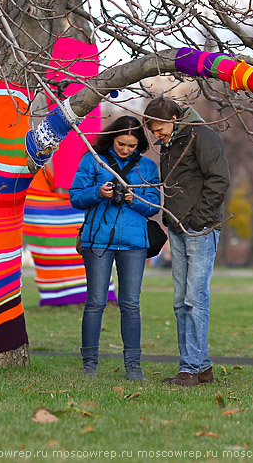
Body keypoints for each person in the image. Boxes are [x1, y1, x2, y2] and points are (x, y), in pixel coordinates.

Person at [143, 96, 229, 387]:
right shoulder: (169, 145)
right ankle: (201, 367)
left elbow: (219, 180)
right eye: (153, 131)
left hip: (200, 229)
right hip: (177, 229)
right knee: (181, 302)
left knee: (195, 299)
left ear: (175, 118)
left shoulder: (202, 137)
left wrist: (198, 220)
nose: (156, 135)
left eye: (158, 129)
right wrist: (172, 221)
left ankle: (189, 368)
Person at [69, 115, 160, 381]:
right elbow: (75, 197)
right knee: (95, 302)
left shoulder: (147, 166)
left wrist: (134, 199)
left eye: (131, 146)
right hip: (98, 240)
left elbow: (154, 206)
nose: (125, 150)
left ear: (139, 144)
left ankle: (133, 366)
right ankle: (89, 366)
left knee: (131, 304)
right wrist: (98, 192)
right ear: (112, 138)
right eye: (121, 144)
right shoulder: (93, 160)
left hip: (134, 243)